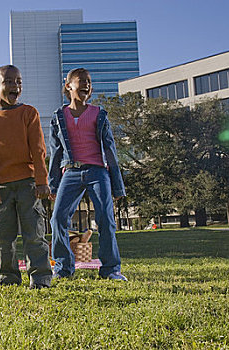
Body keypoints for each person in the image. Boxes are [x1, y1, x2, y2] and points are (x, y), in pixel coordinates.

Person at [48, 68, 127, 281]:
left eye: (89, 82)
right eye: (81, 81)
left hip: (97, 171)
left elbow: (110, 150)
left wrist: (117, 185)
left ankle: (111, 270)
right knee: (57, 219)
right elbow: (55, 153)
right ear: (68, 86)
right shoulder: (58, 117)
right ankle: (63, 269)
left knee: (106, 219)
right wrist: (53, 185)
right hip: (71, 171)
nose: (86, 85)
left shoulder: (99, 114)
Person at [0, 65, 52, 289]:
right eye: (9, 81)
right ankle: (8, 277)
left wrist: (41, 181)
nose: (15, 86)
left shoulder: (29, 113)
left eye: (18, 81)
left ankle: (40, 278)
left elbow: (38, 149)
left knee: (34, 234)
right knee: (2, 236)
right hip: (0, 187)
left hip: (28, 184)